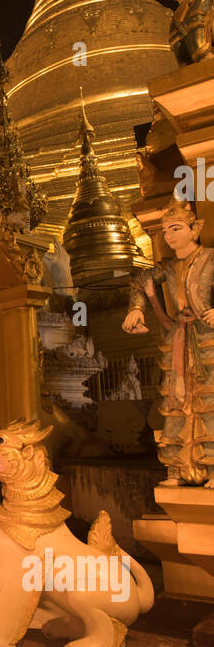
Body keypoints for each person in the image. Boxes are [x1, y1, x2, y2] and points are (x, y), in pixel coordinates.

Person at [123, 199, 214, 485]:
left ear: (194, 230)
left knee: (209, 403)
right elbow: (140, 281)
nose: (169, 236)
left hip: (208, 338)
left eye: (176, 228)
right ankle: (176, 468)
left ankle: (212, 468)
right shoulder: (168, 267)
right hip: (179, 339)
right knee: (177, 403)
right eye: (165, 231)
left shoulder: (211, 258)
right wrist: (136, 308)